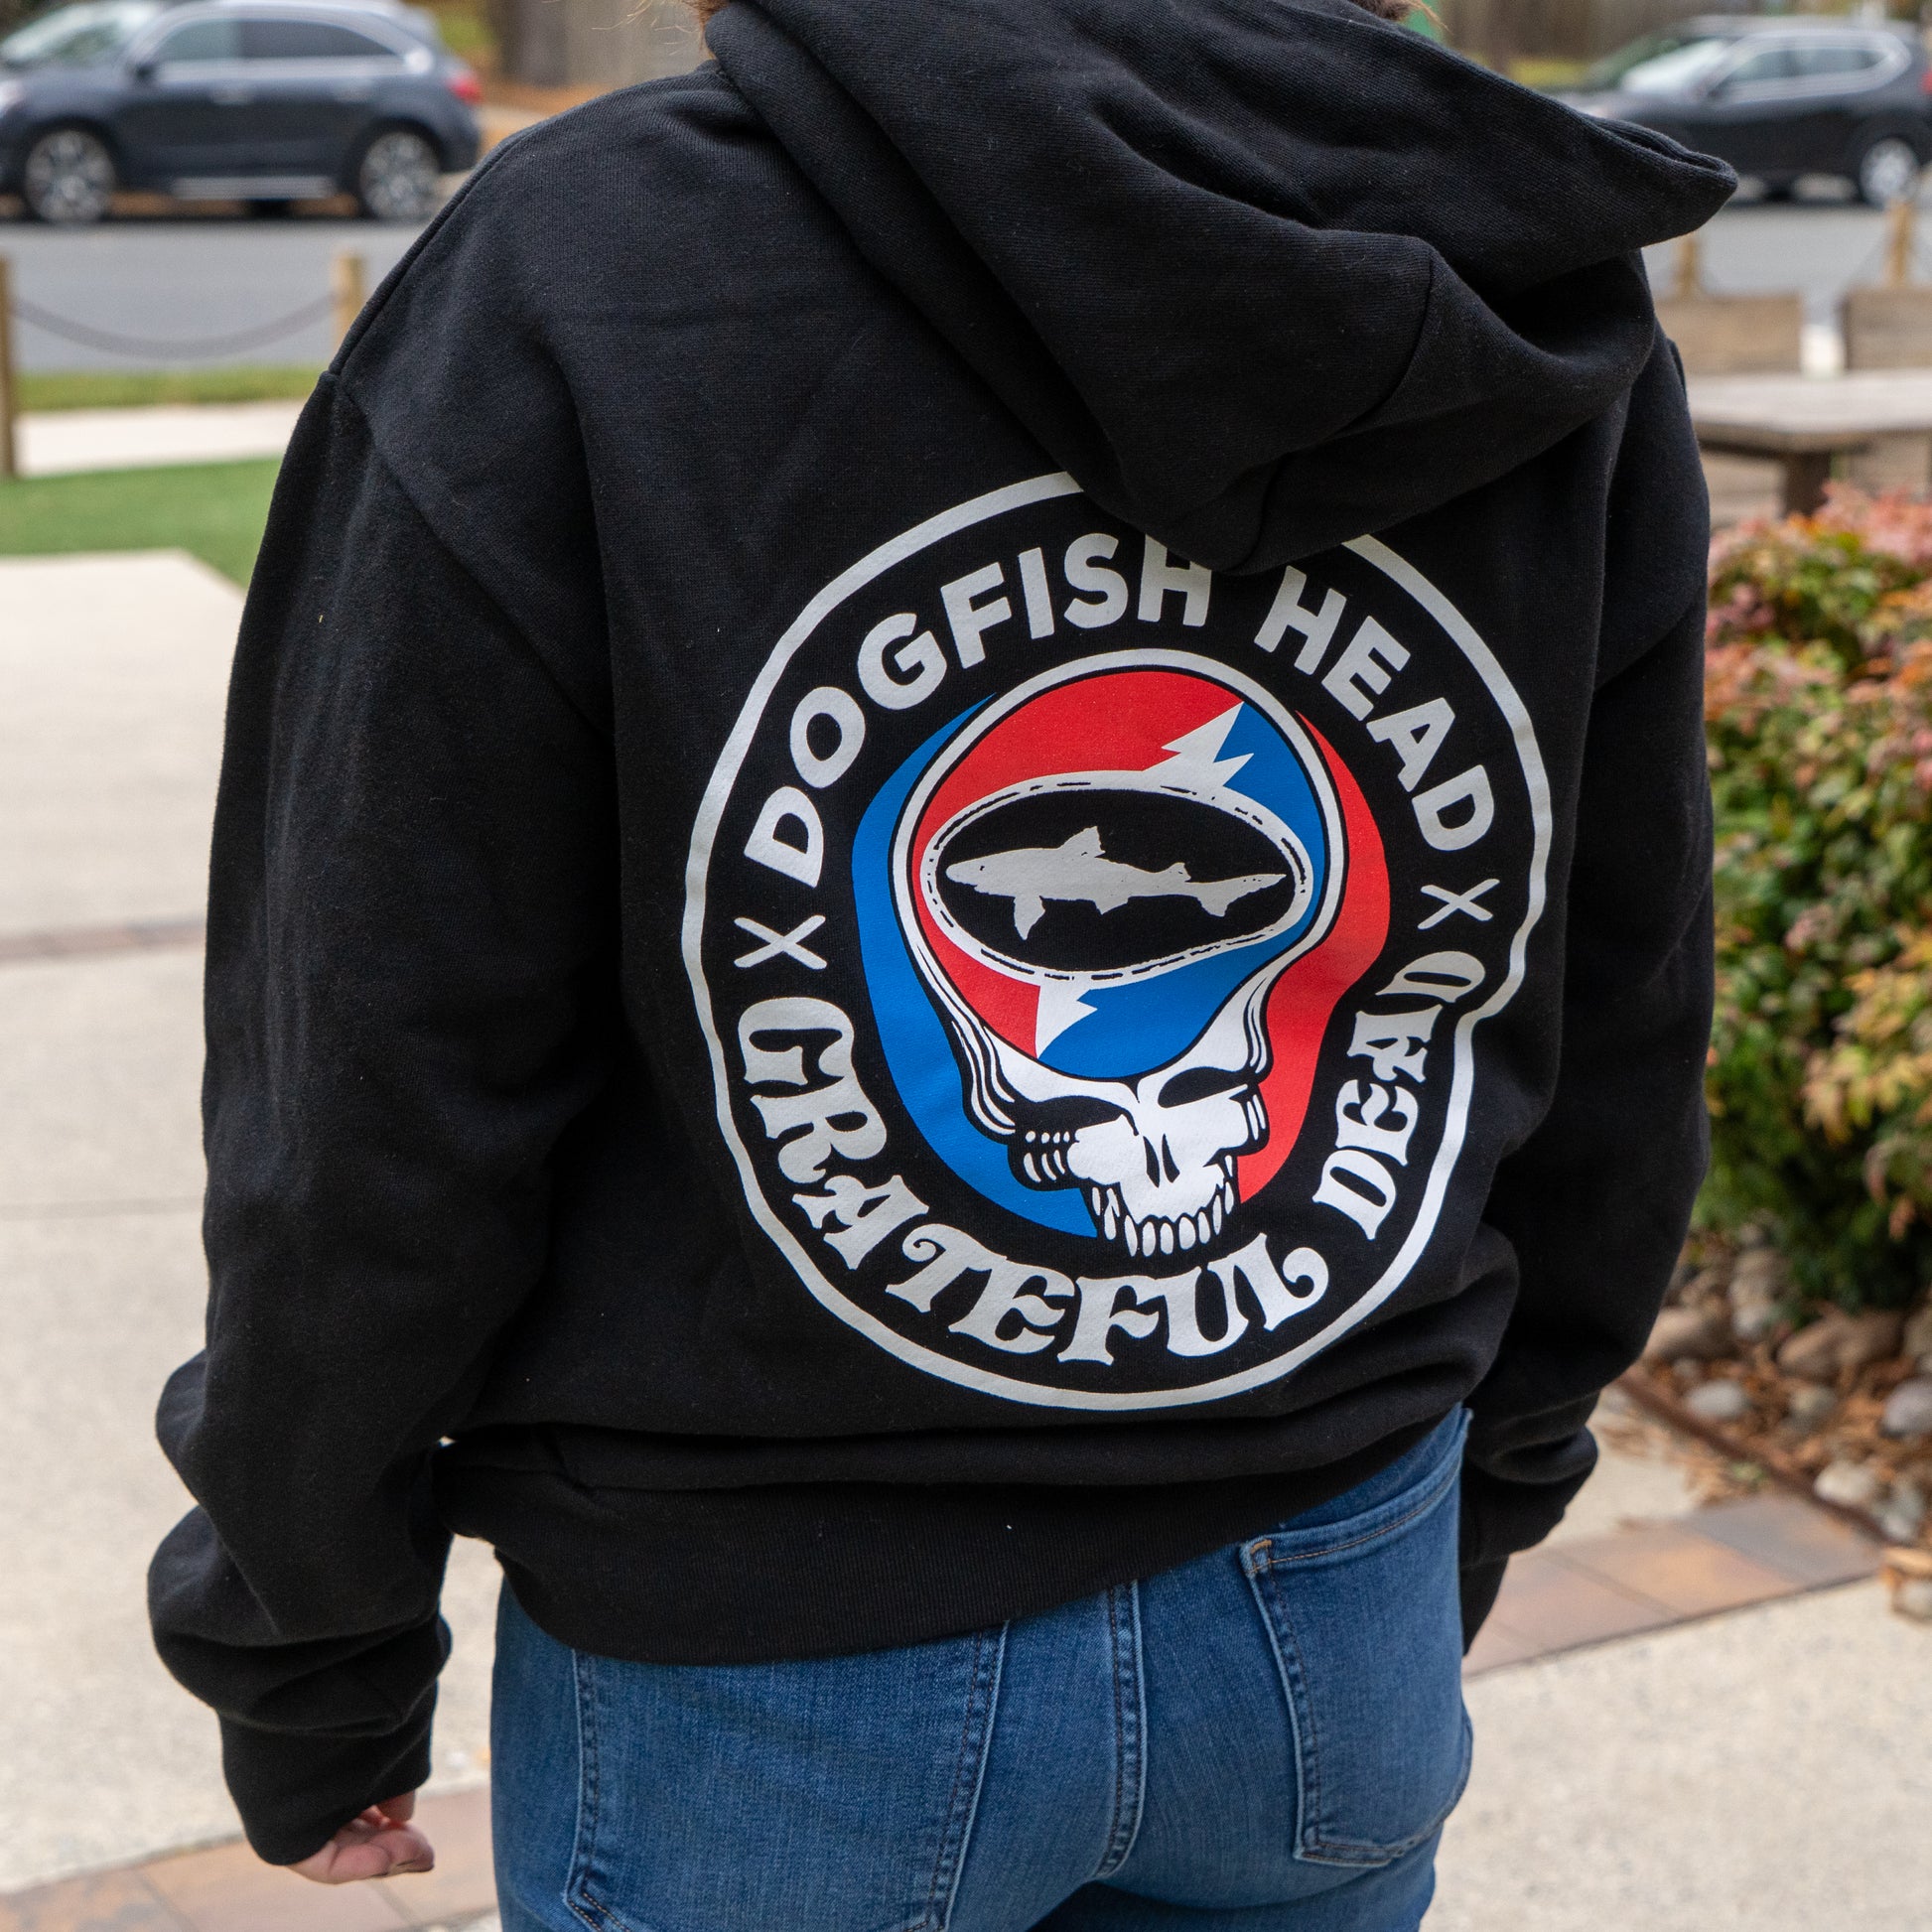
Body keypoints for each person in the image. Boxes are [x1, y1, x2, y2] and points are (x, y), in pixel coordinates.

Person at [148, 0, 1733, 1924]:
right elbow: (1623, 992)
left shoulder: (581, 276)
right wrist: (1485, 1478)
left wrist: (308, 1628)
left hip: (764, 1667)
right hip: (1328, 1598)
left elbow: (379, 1081)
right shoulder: (1523, 280)